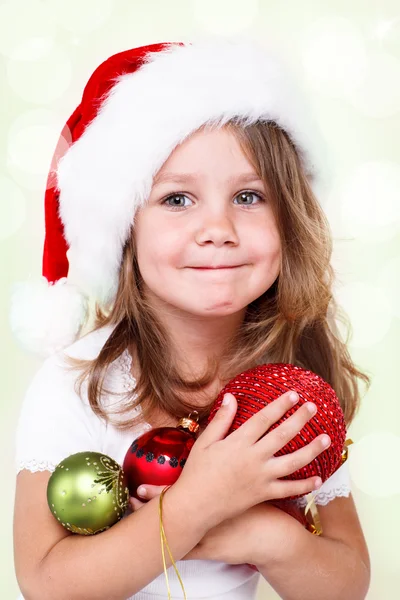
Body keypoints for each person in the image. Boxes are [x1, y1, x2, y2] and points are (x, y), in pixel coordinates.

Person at [11, 37, 371, 599]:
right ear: (125, 230)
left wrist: (261, 536)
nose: (218, 228)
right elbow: (47, 583)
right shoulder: (78, 380)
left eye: (249, 197)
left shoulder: (290, 385)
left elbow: (344, 584)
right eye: (177, 199)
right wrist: (196, 507)